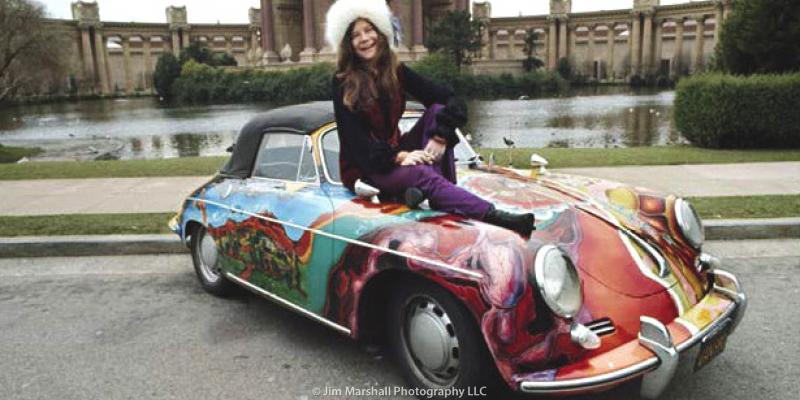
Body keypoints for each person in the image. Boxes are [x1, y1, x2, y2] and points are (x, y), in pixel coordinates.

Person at [325, 0, 534, 237]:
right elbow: (356, 143)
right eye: (356, 35)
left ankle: (431, 193)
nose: (364, 38)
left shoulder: (396, 71)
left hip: (394, 154)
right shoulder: (343, 81)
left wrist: (440, 136)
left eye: (369, 30)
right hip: (367, 168)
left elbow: (449, 98)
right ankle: (493, 215)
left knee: (436, 110)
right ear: (348, 44)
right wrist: (399, 157)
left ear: (381, 32)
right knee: (423, 173)